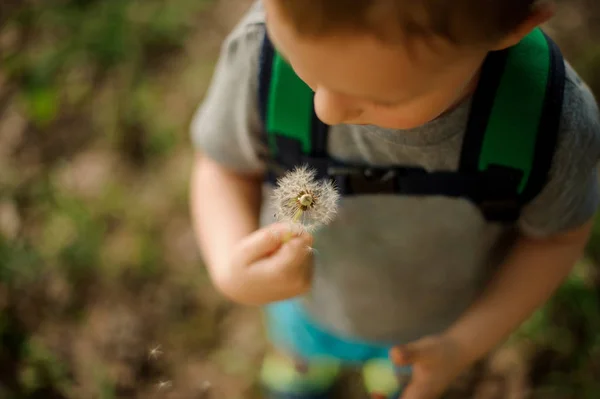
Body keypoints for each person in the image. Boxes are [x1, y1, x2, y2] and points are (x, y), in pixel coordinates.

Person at [189, 0, 600, 398]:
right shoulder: (259, 53)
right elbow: (222, 168)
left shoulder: (550, 128)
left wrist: (460, 345)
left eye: (384, 99)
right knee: (299, 340)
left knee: (402, 362)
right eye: (305, 68)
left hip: (433, 324)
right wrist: (228, 263)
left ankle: (390, 369)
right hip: (308, 302)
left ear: (510, 29)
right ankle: (302, 363)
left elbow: (556, 238)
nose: (326, 110)